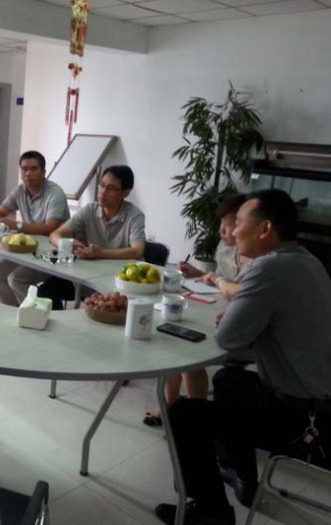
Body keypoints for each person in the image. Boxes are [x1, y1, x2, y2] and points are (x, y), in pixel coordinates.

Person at [154, 189, 331, 525]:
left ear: (265, 229)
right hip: (319, 397)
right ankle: (242, 476)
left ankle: (213, 513)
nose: (233, 231)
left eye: (238, 223)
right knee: (228, 380)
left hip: (302, 417)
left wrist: (238, 322)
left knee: (184, 414)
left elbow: (228, 339)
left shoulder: (268, 267)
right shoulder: (308, 261)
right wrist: (246, 320)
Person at [144, 194, 250, 427]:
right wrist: (199, 274)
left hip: (240, 325)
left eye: (230, 224)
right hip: (216, 311)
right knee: (173, 339)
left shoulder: (259, 258)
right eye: (221, 224)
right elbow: (221, 279)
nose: (222, 231)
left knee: (188, 353)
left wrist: (218, 281)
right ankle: (170, 405)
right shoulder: (226, 248)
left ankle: (196, 421)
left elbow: (244, 291)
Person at [40, 165, 146, 309]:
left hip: (119, 282)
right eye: (102, 185)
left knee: (108, 308)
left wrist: (100, 253)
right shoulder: (90, 209)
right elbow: (55, 234)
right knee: (45, 292)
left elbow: (137, 251)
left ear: (125, 193)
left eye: (111, 188)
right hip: (89, 276)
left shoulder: (134, 216)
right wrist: (67, 243)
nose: (103, 192)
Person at [0, 150, 70, 305]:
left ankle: (37, 314)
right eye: (24, 169)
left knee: (16, 279)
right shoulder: (20, 190)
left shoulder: (55, 193)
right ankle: (15, 311)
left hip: (53, 253)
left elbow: (49, 228)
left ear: (43, 172)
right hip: (29, 250)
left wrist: (16, 225)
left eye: (33, 169)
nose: (28, 173)